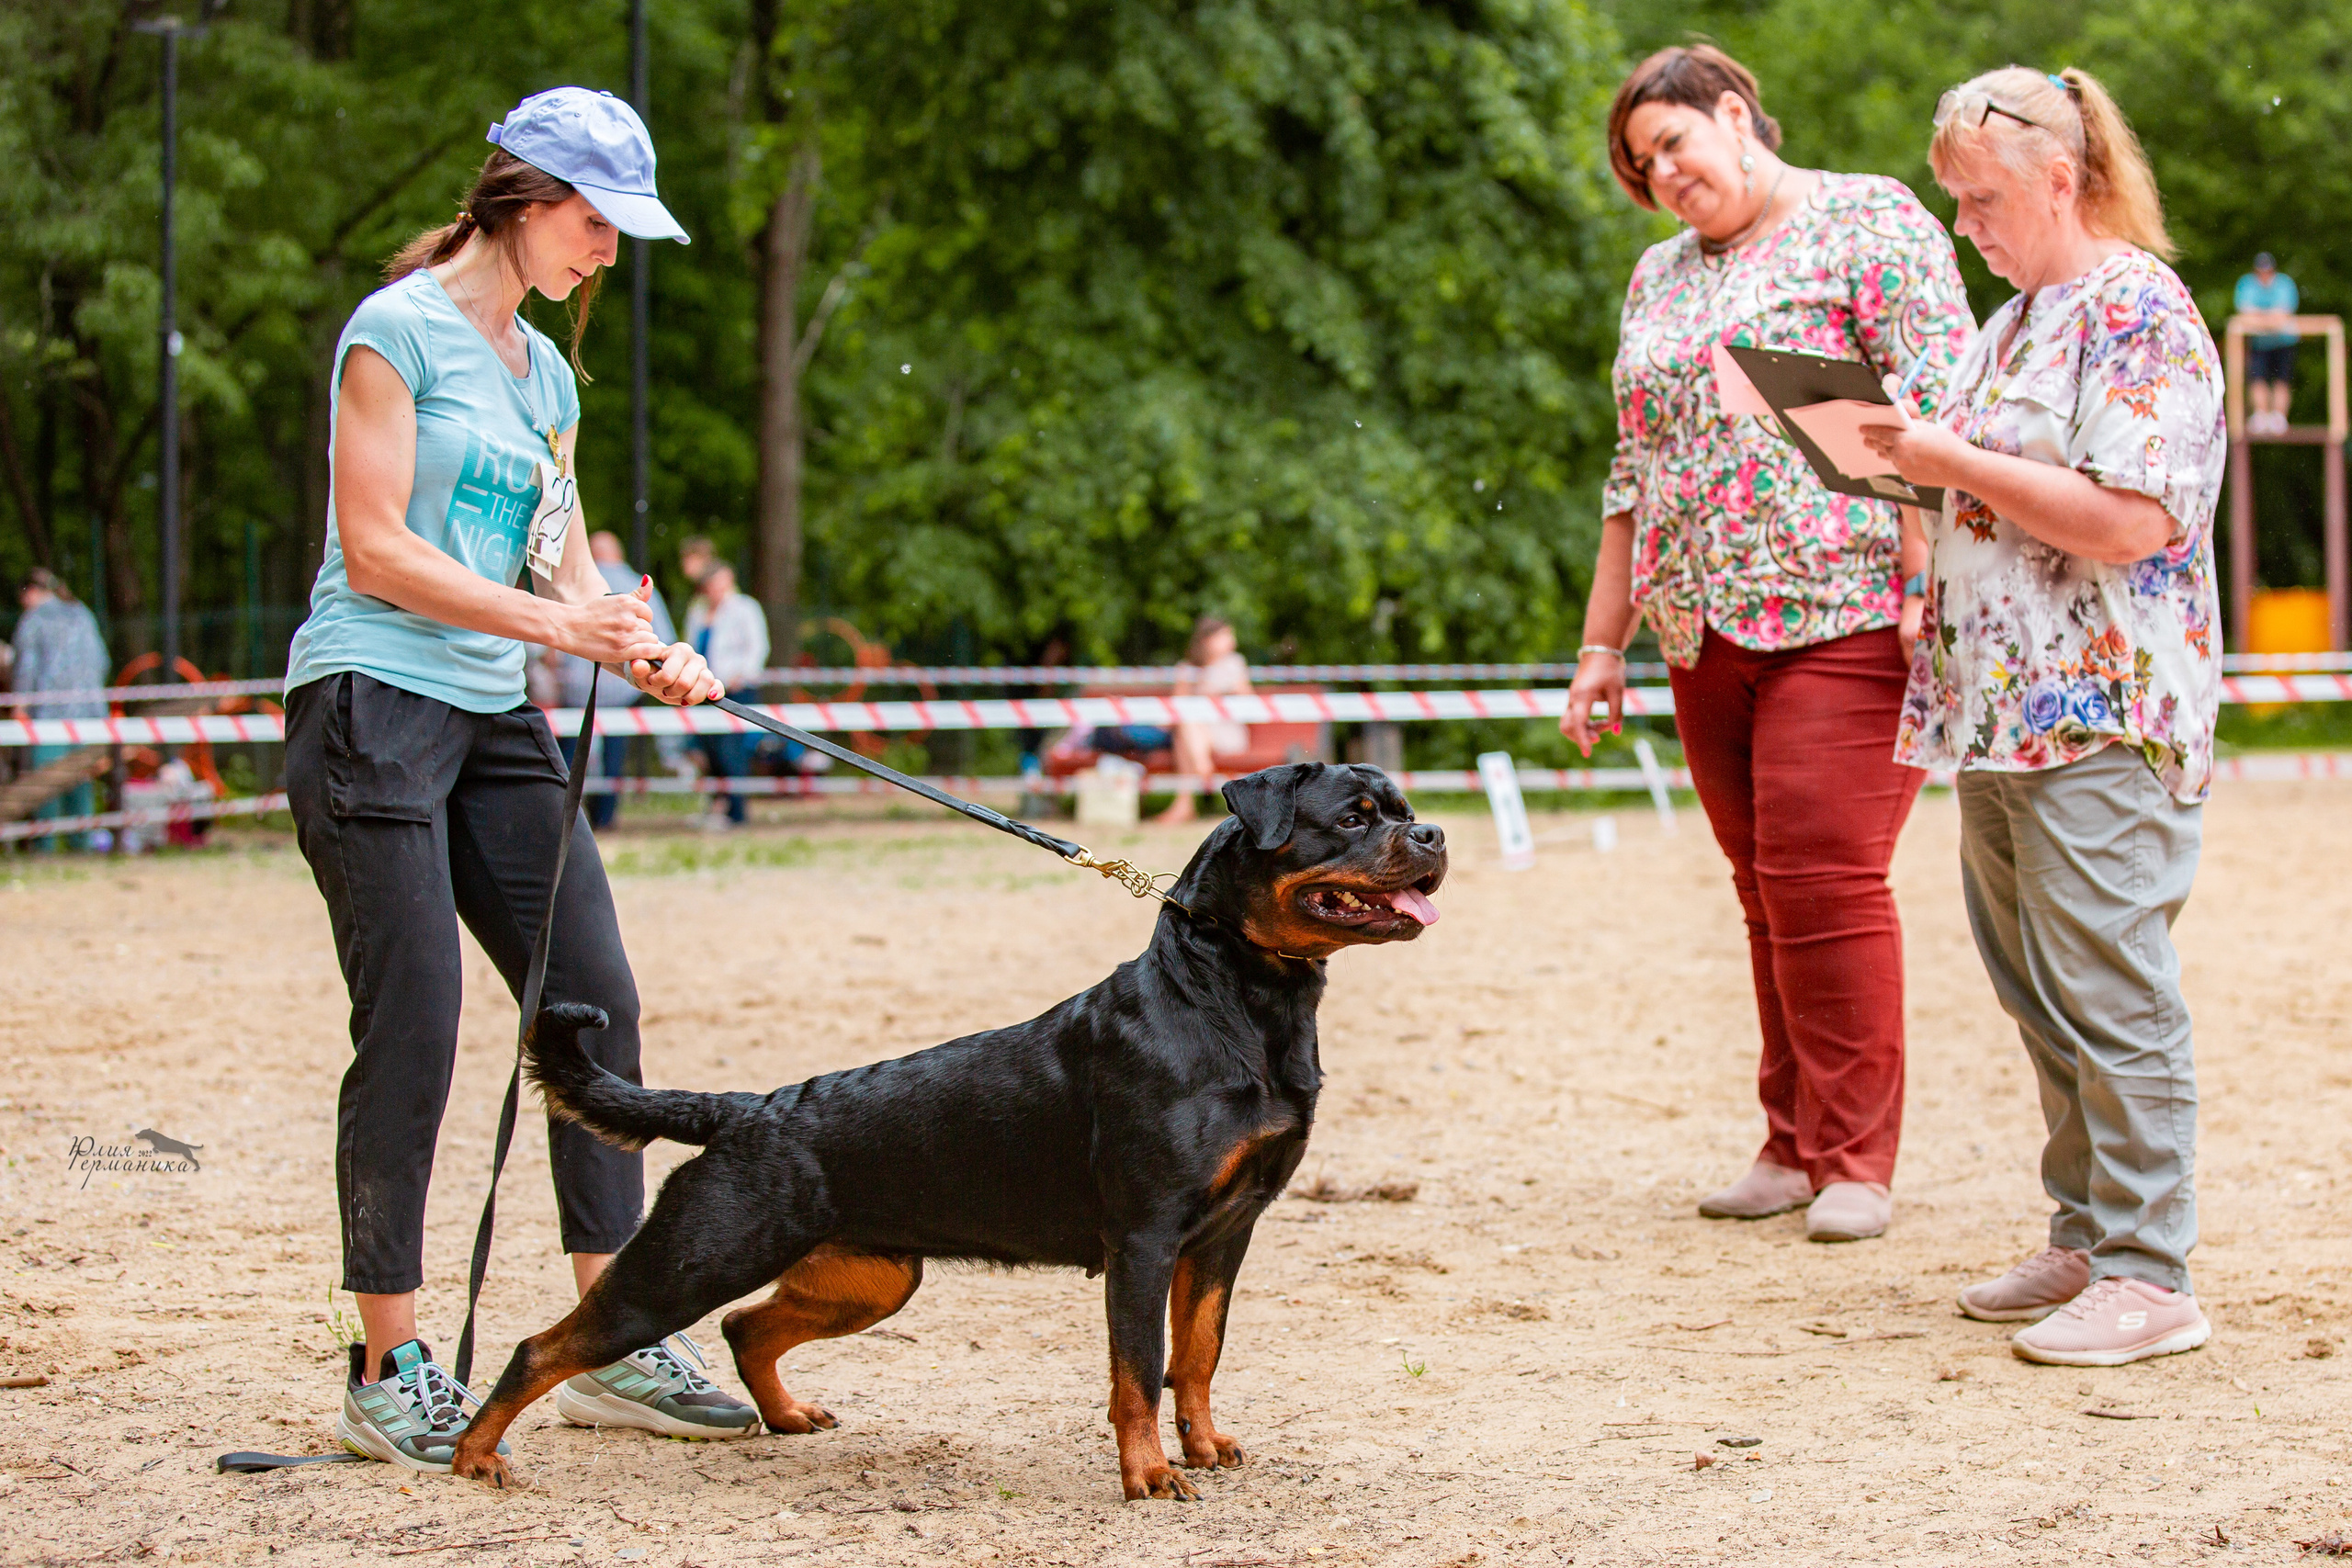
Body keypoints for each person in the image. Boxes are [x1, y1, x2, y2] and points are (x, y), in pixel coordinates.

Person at [277, 87, 763, 1472]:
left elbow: (556, 557)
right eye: (599, 225)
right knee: (418, 1015)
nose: (609, 254)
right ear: (526, 197)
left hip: (492, 715)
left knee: (592, 999)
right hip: (372, 696)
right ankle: (387, 1362)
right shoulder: (398, 331)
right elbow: (374, 547)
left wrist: (642, 639)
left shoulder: (544, 370)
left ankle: (610, 1335)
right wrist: (562, 626)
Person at [1564, 44, 1974, 1244]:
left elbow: (1938, 412)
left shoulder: (1869, 221)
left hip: (1844, 610)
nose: (1663, 176)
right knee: (1763, 891)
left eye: (1674, 144)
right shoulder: (1657, 277)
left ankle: (1856, 1155)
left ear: (1735, 114)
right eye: (1643, 168)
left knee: (1823, 878)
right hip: (1698, 623)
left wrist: (1927, 578)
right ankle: (1790, 1141)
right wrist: (1603, 644)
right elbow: (1631, 471)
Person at [1862, 66, 2225, 1367]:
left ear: (2061, 178)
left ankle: (2150, 1267)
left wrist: (1949, 460)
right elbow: (1988, 490)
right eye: (1954, 201)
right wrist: (1889, 458)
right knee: (2041, 990)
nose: (1965, 225)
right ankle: (2087, 1230)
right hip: (1996, 711)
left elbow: (2134, 518)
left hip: (2102, 714)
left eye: (1981, 198)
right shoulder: (2010, 322)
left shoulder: (2140, 310)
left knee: (2113, 988)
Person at [558, 530, 676, 829]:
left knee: (571, 757)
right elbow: (664, 638)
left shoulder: (572, 583)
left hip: (577, 686)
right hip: (624, 684)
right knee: (614, 756)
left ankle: (565, 816)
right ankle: (606, 817)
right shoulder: (638, 584)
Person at [11, 568, 110, 850]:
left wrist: (19, 707)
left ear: (31, 592)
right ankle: (83, 845)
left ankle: (45, 847)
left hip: (49, 717)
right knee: (81, 783)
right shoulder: (83, 614)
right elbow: (103, 661)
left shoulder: (35, 619)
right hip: (90, 715)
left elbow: (25, 670)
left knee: (45, 785)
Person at [682, 559, 769, 829]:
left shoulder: (745, 607)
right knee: (705, 751)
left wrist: (741, 676)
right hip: (704, 690)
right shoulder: (698, 610)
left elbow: (758, 647)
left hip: (734, 691)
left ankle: (737, 812)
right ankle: (716, 807)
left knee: (732, 752)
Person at [1152, 617, 1254, 824]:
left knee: (1186, 730)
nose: (1231, 640)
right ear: (1207, 640)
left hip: (1226, 731)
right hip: (1195, 732)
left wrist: (1222, 692)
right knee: (1187, 724)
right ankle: (1198, 771)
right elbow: (1177, 706)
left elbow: (1249, 702)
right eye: (1225, 635)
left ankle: (1185, 802)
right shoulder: (1187, 668)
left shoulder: (1234, 663)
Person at [2234, 253, 2299, 434]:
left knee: (2282, 380)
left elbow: (2283, 315)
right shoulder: (2247, 284)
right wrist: (2271, 318)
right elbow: (2245, 315)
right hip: (2260, 344)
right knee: (2257, 379)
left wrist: (2259, 318)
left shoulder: (2284, 284)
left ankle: (2278, 417)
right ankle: (2261, 415)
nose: (2264, 274)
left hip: (2284, 342)